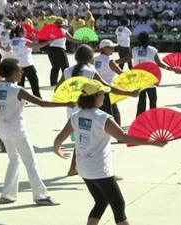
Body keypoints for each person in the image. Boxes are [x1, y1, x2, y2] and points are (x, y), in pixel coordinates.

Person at [53, 80, 166, 225]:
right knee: (118, 205)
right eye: (102, 94)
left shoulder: (76, 116)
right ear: (95, 97)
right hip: (99, 169)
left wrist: (57, 149)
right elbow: (122, 137)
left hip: (83, 168)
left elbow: (60, 138)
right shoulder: (103, 118)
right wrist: (153, 142)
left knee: (101, 202)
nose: (104, 97)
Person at [0, 58, 72, 205]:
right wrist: (66, 103)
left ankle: (7, 195)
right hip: (18, 130)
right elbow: (42, 103)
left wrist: (3, 112)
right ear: (14, 72)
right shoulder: (18, 90)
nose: (21, 73)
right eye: (19, 70)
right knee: (30, 162)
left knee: (13, 161)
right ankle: (40, 195)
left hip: (4, 130)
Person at [58, 44, 140, 176]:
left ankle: (73, 168)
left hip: (72, 108)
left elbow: (58, 89)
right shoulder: (91, 72)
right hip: (88, 108)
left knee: (80, 138)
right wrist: (129, 93)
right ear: (91, 57)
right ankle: (106, 172)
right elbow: (107, 87)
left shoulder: (67, 71)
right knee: (98, 140)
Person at [131, 32, 181, 117]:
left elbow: (125, 59)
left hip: (139, 78)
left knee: (141, 101)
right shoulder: (152, 50)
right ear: (148, 40)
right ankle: (153, 119)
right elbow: (160, 64)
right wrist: (173, 69)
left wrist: (114, 62)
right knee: (153, 101)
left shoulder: (134, 50)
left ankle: (139, 119)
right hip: (150, 77)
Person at [8, 26, 51, 98]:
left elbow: (10, 48)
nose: (26, 32)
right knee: (34, 82)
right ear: (21, 32)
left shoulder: (12, 41)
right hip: (27, 64)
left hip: (18, 65)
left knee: (20, 83)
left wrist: (34, 39)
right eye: (25, 31)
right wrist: (48, 41)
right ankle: (37, 97)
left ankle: (20, 98)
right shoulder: (24, 41)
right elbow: (37, 46)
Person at [48, 18, 81, 86]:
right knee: (65, 67)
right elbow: (71, 39)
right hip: (60, 49)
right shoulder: (63, 31)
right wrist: (81, 41)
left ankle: (53, 82)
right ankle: (68, 82)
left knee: (55, 67)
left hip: (51, 49)